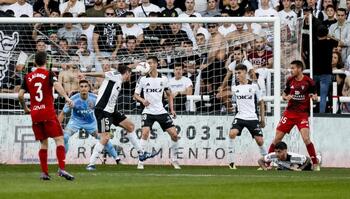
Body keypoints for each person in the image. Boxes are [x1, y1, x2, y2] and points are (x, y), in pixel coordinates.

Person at [80, 65, 156, 170]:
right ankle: (91, 164)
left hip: (111, 110)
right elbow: (102, 74)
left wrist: (136, 64)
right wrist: (85, 74)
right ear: (127, 73)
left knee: (130, 126)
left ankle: (141, 154)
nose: (130, 76)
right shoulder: (115, 75)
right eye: (130, 73)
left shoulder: (119, 80)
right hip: (103, 110)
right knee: (105, 138)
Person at [18, 52, 75, 180]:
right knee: (59, 140)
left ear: (34, 63)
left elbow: (20, 95)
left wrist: (26, 108)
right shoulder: (49, 73)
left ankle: (44, 172)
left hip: (35, 114)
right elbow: (56, 85)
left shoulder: (28, 77)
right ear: (46, 62)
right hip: (48, 112)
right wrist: (66, 97)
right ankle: (61, 169)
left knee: (44, 143)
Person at [267, 60, 320, 171]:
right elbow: (284, 94)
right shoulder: (290, 80)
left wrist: (314, 97)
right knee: (277, 139)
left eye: (293, 68)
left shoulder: (309, 81)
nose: (291, 70)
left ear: (300, 69)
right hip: (289, 113)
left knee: (306, 139)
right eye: (291, 68)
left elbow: (315, 95)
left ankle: (315, 163)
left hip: (302, 114)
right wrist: (286, 98)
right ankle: (267, 163)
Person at [58, 80, 122, 164]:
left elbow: (104, 111)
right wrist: (58, 127)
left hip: (91, 123)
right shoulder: (73, 99)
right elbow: (63, 113)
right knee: (65, 137)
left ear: (88, 88)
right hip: (75, 121)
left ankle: (117, 159)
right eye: (81, 86)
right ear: (78, 88)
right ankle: (62, 161)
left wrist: (104, 126)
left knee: (104, 138)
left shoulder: (95, 98)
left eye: (85, 86)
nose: (83, 88)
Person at [134, 56, 180, 170]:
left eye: (150, 63)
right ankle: (141, 161)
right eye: (147, 63)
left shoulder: (163, 79)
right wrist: (142, 100)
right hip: (148, 111)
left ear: (156, 64)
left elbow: (169, 94)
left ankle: (174, 160)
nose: (148, 65)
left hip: (161, 111)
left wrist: (172, 109)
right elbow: (135, 95)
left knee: (174, 135)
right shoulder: (142, 79)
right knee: (145, 133)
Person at [226, 64, 266, 170]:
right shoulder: (235, 87)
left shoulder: (254, 86)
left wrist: (262, 119)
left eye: (239, 73)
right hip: (239, 117)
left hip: (252, 117)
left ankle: (266, 161)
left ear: (245, 72)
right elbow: (232, 100)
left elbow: (261, 102)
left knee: (260, 141)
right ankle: (231, 162)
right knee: (232, 133)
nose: (237, 75)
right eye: (236, 73)